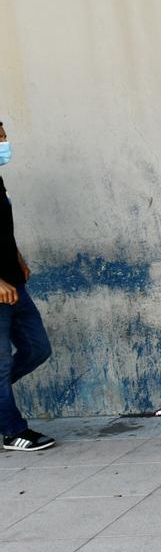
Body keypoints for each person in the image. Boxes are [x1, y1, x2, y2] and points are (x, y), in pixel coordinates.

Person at [0, 122, 55, 451]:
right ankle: (12, 430)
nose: (5, 141)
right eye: (0, 136)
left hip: (15, 285)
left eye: (4, 134)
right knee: (2, 363)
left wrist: (18, 258)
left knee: (37, 349)